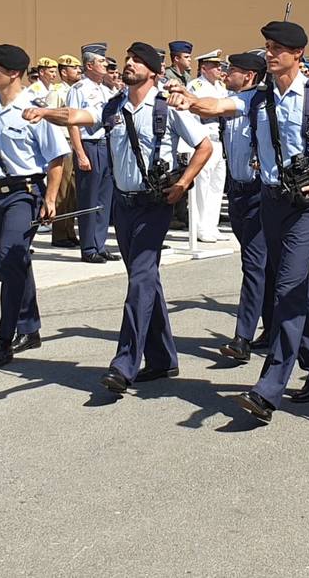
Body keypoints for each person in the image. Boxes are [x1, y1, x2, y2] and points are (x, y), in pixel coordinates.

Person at [171, 20, 309, 424]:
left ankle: (269, 387)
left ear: (297, 55)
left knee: (285, 288)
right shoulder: (257, 98)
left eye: (278, 48)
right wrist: (189, 101)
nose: (270, 53)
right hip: (271, 201)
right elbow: (220, 106)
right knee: (295, 288)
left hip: (307, 205)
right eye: (267, 46)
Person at [28, 43, 212, 392]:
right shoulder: (113, 105)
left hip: (154, 203)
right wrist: (43, 114)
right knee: (146, 281)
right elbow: (75, 117)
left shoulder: (167, 106)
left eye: (138, 61)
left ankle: (124, 364)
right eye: (128, 59)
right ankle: (162, 359)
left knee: (140, 280)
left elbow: (204, 146)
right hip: (123, 205)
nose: (129, 64)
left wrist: (184, 183)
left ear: (154, 71)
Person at [0, 45, 69, 368]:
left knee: (10, 258)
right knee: (16, 260)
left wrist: (51, 198)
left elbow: (56, 157)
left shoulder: (34, 109)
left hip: (24, 194)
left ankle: (4, 339)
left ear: (13, 73)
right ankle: (29, 327)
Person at [210, 51, 274, 362]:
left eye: (232, 70)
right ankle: (274, 328)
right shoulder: (232, 101)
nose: (225, 73)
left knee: (254, 264)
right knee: (263, 265)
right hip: (236, 193)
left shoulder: (259, 103)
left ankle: (242, 337)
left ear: (249, 76)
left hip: (258, 193)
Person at [67, 43, 117, 264]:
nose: (105, 64)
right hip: (89, 145)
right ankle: (88, 247)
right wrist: (80, 153)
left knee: (104, 199)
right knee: (89, 199)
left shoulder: (106, 90)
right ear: (89, 65)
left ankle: (100, 243)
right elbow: (73, 124)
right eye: (101, 61)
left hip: (106, 145)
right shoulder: (78, 89)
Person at [187, 50, 228, 243]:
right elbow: (192, 113)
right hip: (205, 138)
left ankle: (212, 225)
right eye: (215, 65)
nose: (220, 69)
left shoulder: (221, 86)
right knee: (202, 185)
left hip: (220, 140)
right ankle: (199, 227)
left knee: (216, 184)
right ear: (204, 68)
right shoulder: (196, 86)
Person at [48, 54, 82, 249]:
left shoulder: (75, 90)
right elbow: (50, 118)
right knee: (61, 189)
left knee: (72, 190)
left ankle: (69, 230)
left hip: (74, 141)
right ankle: (60, 233)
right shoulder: (57, 91)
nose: (78, 71)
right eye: (74, 68)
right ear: (63, 72)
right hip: (62, 142)